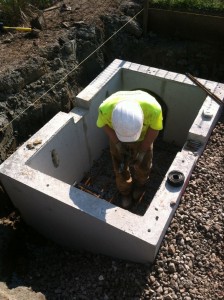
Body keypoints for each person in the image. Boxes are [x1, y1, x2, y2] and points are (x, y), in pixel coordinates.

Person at [96, 90, 163, 209]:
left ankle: (140, 185)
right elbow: (103, 125)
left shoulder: (153, 109)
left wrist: (142, 151)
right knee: (120, 168)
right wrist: (117, 143)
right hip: (117, 137)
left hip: (143, 138)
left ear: (142, 118)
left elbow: (154, 129)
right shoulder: (105, 109)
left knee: (144, 165)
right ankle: (125, 192)